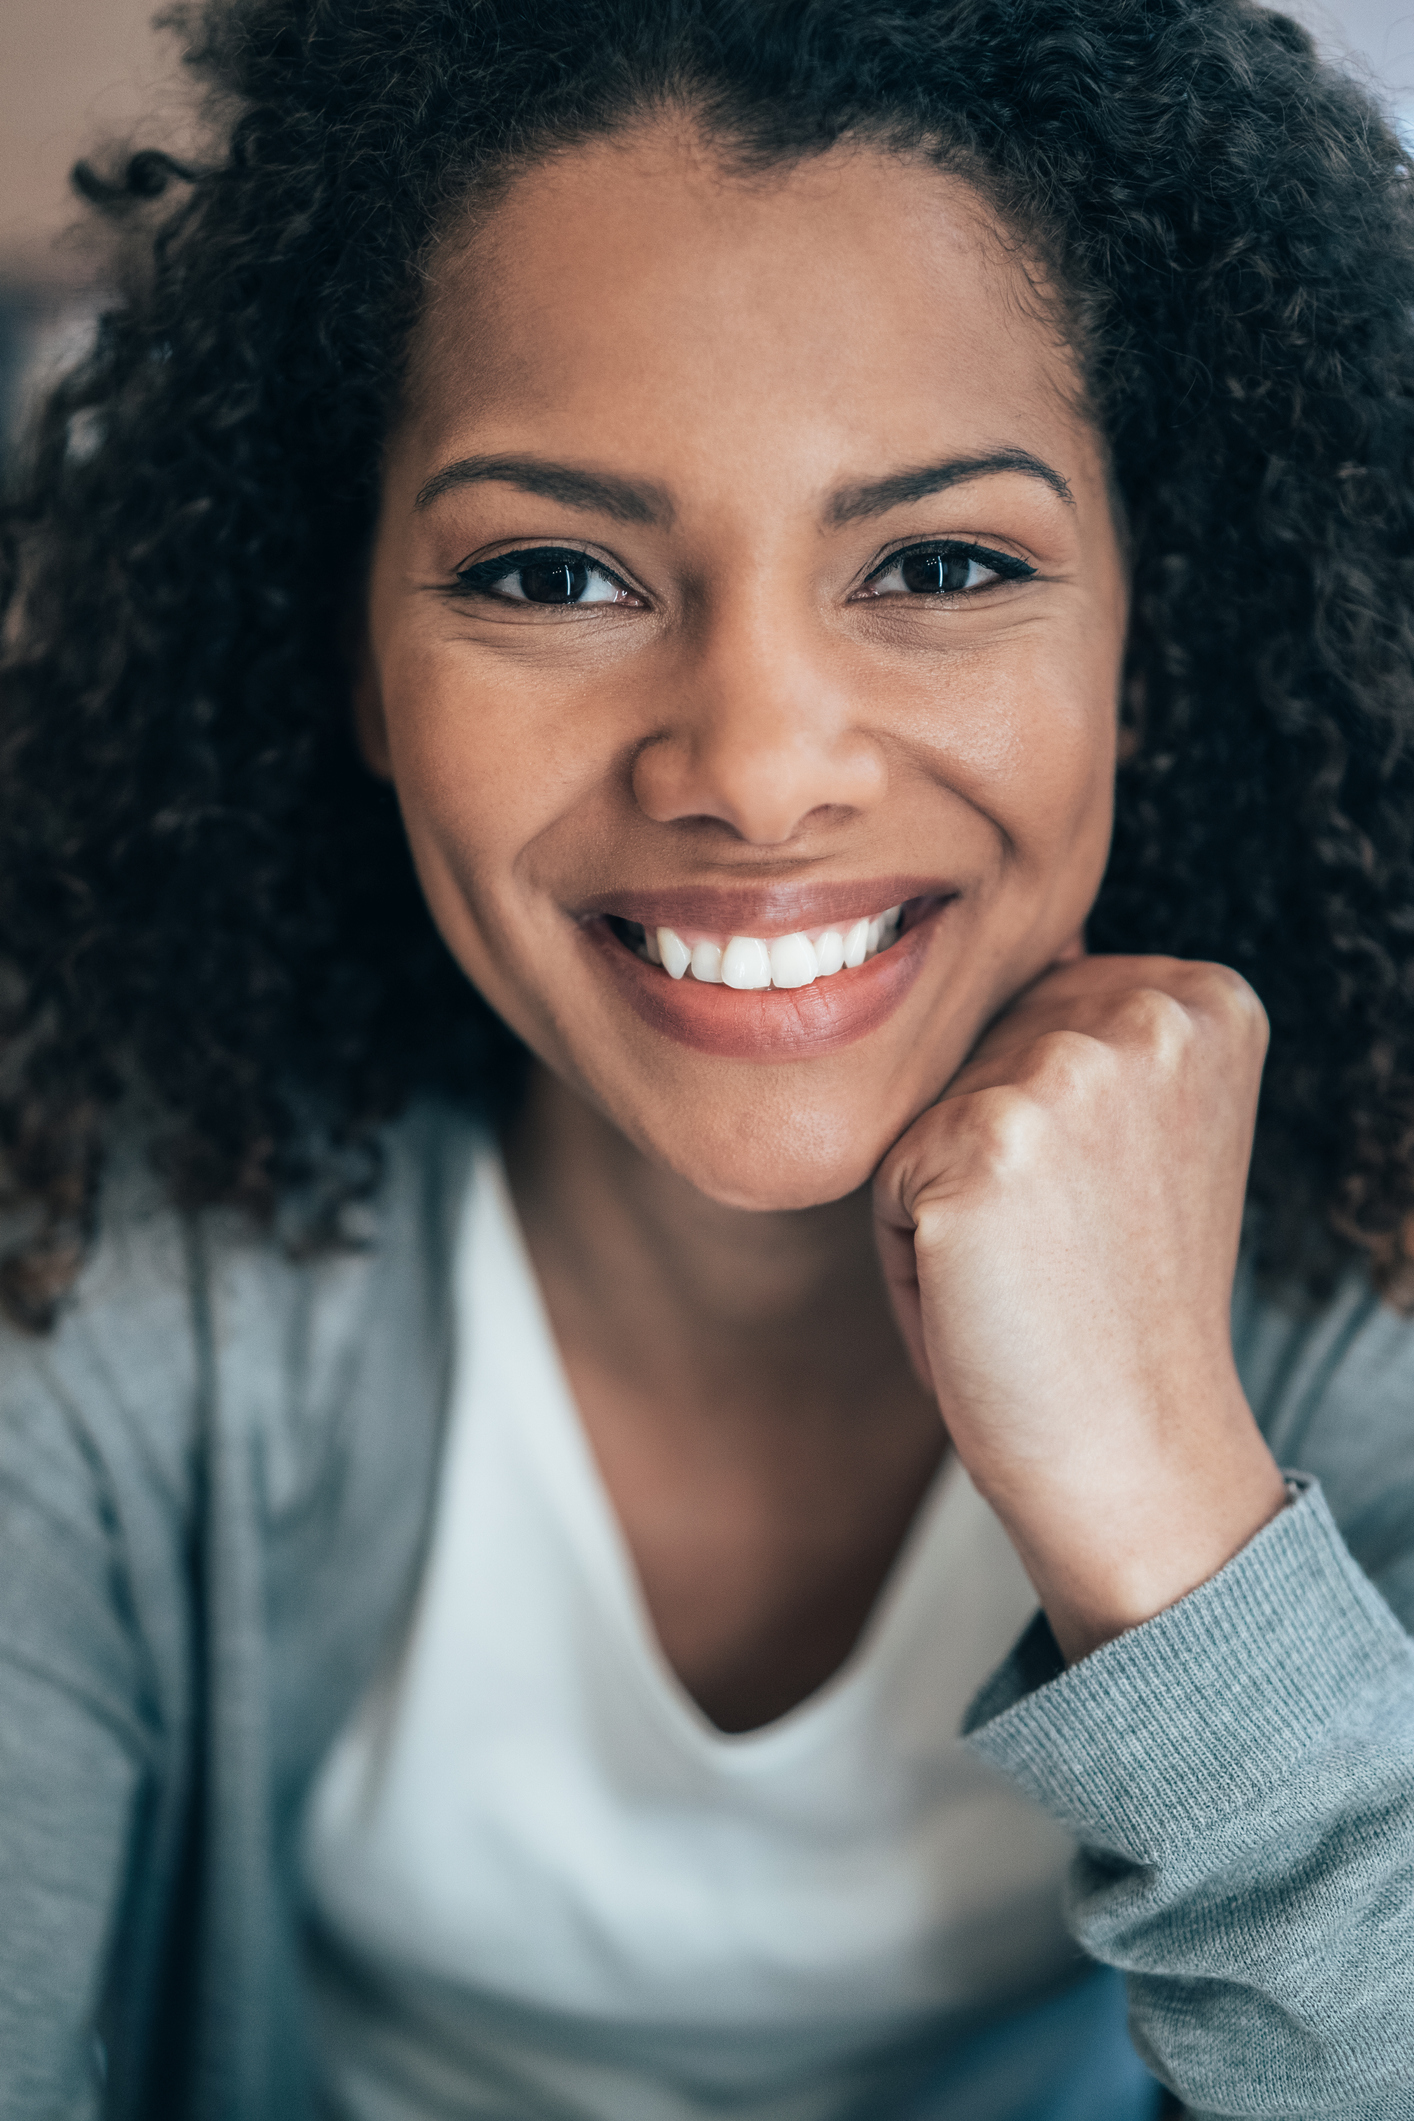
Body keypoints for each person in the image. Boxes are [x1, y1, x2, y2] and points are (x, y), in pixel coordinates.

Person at [3, 0, 1414, 2115]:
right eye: (550, 571)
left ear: (1143, 640)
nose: (755, 771)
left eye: (938, 564)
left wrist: (1169, 1516)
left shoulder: (1362, 1280)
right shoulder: (94, 1271)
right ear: (360, 659)